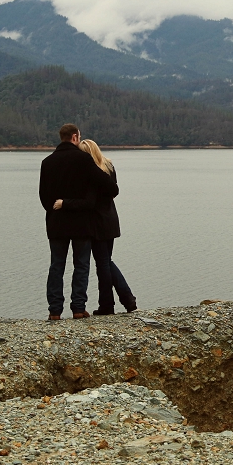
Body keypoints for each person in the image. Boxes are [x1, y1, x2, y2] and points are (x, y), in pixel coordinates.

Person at [38, 123, 119, 320]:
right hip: (82, 223)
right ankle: (78, 308)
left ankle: (55, 310)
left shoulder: (47, 162)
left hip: (56, 223)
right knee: (81, 265)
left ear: (61, 137)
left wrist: (58, 207)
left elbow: (43, 197)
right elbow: (110, 187)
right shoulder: (84, 160)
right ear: (75, 137)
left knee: (56, 266)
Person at [79, 138, 137, 315]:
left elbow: (89, 200)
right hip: (110, 218)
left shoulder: (91, 173)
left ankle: (113, 303)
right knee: (106, 261)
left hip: (97, 221)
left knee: (103, 263)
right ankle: (121, 300)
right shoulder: (109, 167)